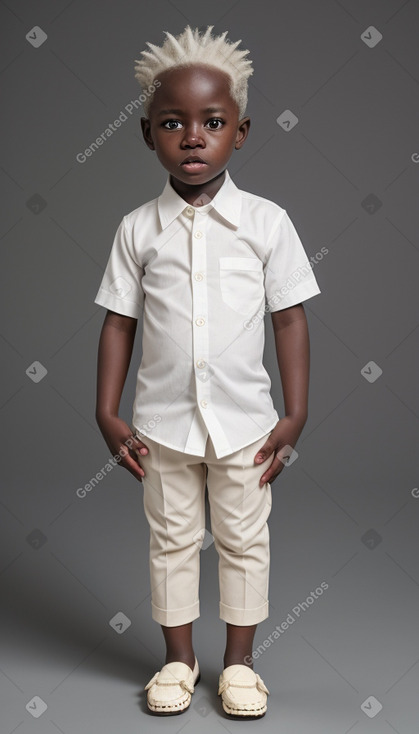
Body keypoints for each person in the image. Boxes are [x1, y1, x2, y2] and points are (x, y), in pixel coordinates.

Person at [94, 24, 321, 719]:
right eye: (173, 123)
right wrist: (107, 411)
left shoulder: (266, 223)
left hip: (248, 425)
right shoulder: (137, 230)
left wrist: (294, 412)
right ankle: (177, 659)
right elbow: (119, 323)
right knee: (171, 540)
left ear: (240, 132)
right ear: (147, 135)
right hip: (161, 424)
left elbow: (289, 318)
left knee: (244, 540)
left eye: (211, 123)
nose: (192, 137)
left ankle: (241, 665)